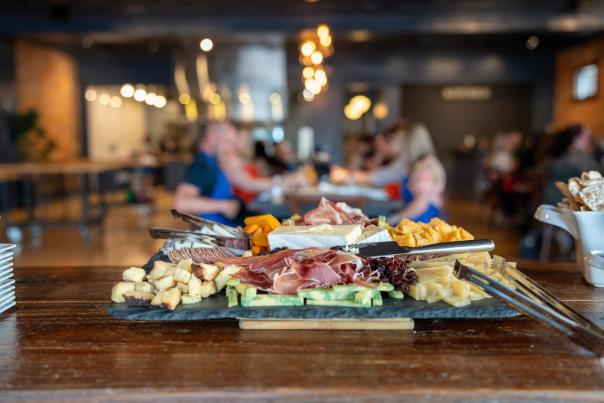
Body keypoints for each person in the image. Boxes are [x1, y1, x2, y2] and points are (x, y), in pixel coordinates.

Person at [174, 122, 304, 226]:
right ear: (211, 137)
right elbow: (181, 204)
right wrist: (223, 205)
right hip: (219, 232)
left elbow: (246, 182)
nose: (231, 148)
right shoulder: (201, 166)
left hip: (230, 225)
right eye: (228, 142)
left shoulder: (216, 160)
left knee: (290, 221)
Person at [331, 120, 445, 223]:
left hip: (421, 221)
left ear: (409, 143)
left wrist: (395, 218)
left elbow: (421, 202)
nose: (394, 144)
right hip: (414, 217)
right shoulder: (417, 164)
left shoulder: (425, 167)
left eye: (397, 140)